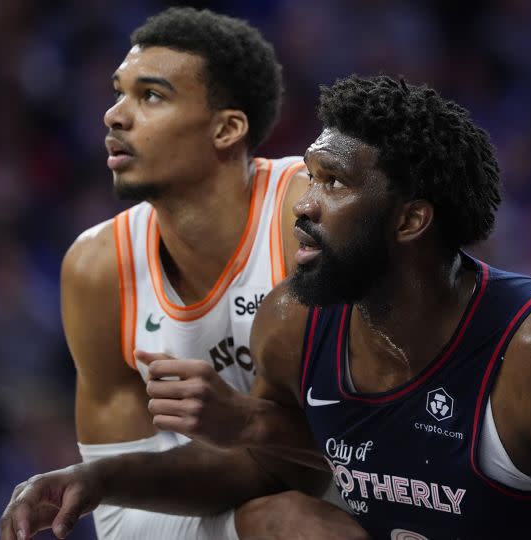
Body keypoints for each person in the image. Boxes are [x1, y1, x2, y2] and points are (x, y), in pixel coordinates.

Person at [1, 75, 531, 539]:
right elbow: (262, 470)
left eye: (335, 183)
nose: (304, 204)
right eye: (309, 177)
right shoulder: (291, 325)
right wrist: (97, 479)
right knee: (278, 520)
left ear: (409, 221)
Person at [53, 7, 351, 540]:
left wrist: (247, 425)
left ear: (226, 128)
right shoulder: (97, 268)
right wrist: (93, 480)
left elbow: (400, 438)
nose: (114, 116)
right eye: (118, 92)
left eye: (150, 96)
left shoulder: (307, 214)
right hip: (269, 509)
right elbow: (123, 525)